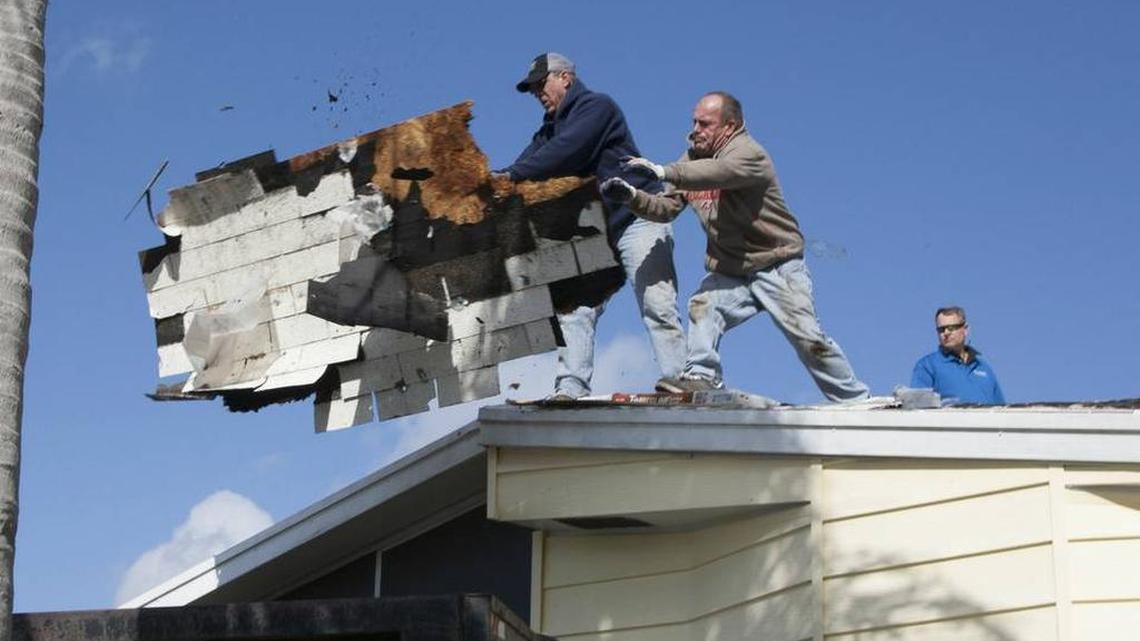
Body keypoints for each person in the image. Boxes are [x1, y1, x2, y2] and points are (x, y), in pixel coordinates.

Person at [601, 91, 869, 401]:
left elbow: (719, 172)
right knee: (704, 306)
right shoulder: (691, 160)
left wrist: (663, 171)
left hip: (777, 265)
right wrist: (632, 197)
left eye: (705, 124)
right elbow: (666, 209)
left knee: (809, 340)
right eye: (694, 122)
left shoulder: (749, 154)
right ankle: (702, 376)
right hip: (731, 270)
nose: (695, 130)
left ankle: (855, 399)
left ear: (729, 127)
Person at [501, 53, 685, 399]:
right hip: (598, 235)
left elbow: (566, 152)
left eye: (541, 84)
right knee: (574, 309)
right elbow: (526, 163)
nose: (537, 93)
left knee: (656, 302)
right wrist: (491, 184)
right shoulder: (549, 130)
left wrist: (510, 177)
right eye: (533, 89)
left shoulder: (597, 108)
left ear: (565, 78)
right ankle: (570, 389)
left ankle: (680, 380)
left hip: (637, 218)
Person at [911, 306, 1005, 404]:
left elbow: (1001, 408)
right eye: (941, 329)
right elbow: (918, 406)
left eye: (951, 328)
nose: (946, 333)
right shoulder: (927, 366)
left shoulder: (983, 367)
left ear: (965, 329)